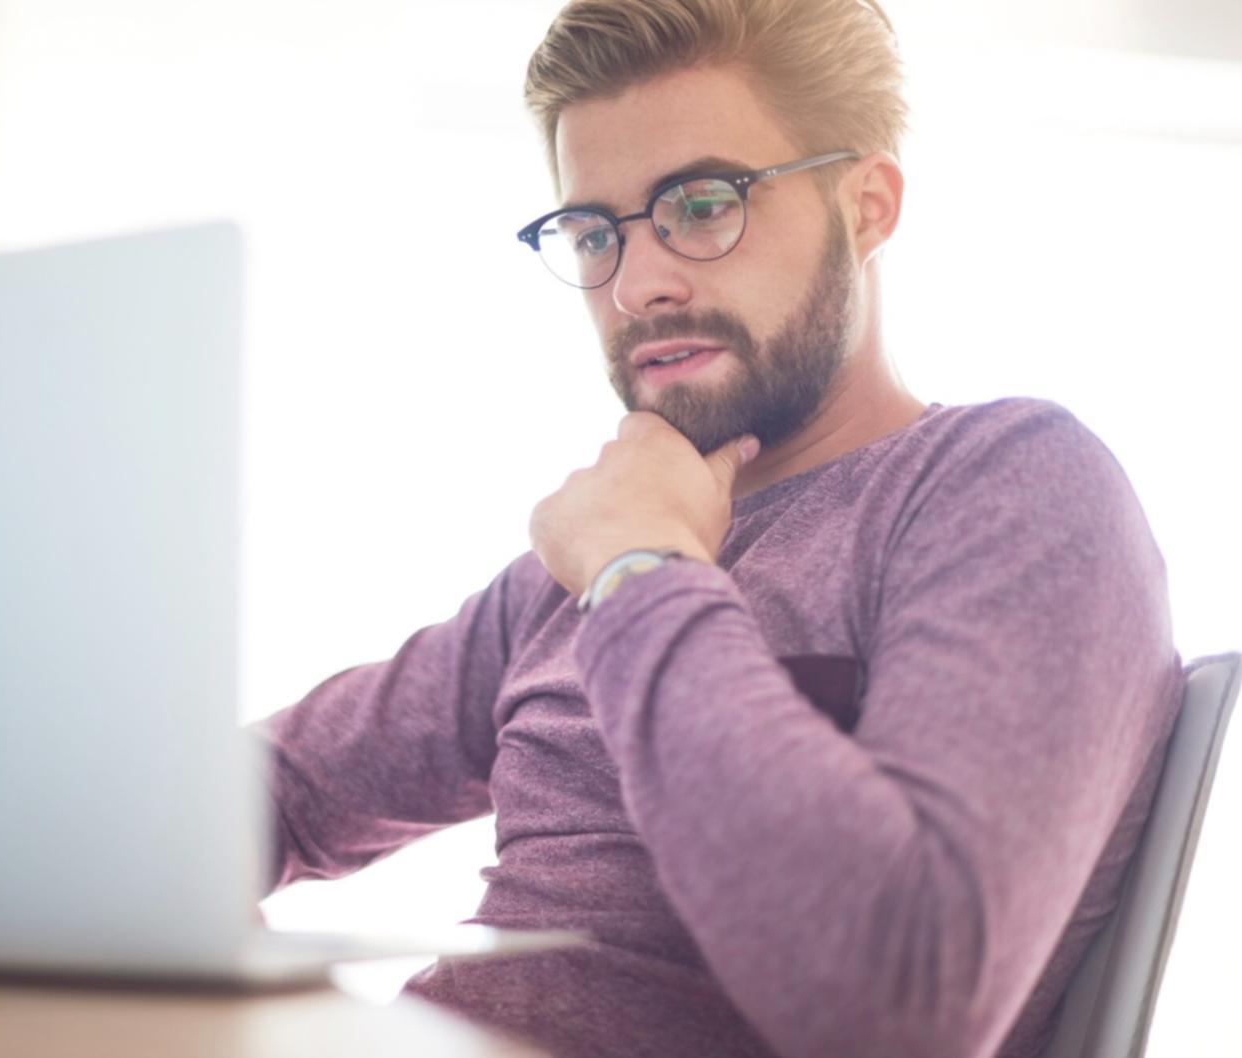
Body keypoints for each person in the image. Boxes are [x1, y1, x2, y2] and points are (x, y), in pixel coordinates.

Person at [250, 2, 1184, 1056]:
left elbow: (900, 995)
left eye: (702, 203)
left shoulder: (1004, 484)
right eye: (595, 231)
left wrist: (641, 574)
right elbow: (271, 789)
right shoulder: (582, 561)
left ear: (867, 204)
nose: (638, 284)